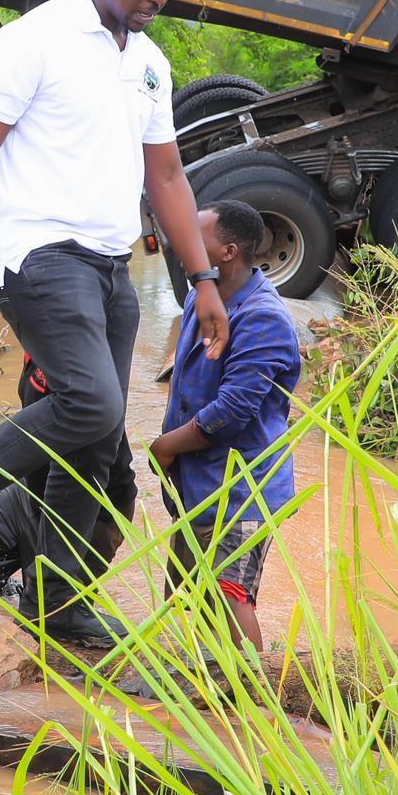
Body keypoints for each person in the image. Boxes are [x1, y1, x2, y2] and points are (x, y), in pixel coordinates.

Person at [0, 0, 230, 649]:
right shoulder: (38, 38)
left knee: (97, 445)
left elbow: (168, 175)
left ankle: (55, 604)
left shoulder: (150, 63)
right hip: (35, 251)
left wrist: (203, 279)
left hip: (110, 265)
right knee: (90, 408)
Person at [149, 199, 303, 652]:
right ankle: (201, 685)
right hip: (198, 480)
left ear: (229, 252)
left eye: (197, 239)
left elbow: (231, 411)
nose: (183, 245)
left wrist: (165, 446)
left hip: (241, 486)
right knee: (183, 590)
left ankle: (253, 701)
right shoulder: (202, 294)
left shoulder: (263, 318)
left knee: (228, 597)